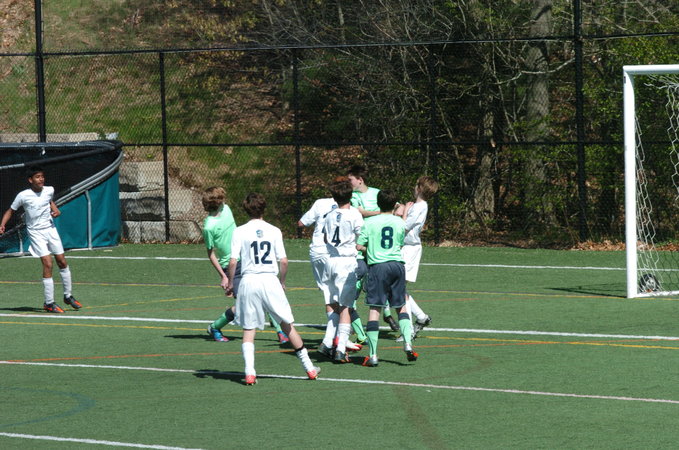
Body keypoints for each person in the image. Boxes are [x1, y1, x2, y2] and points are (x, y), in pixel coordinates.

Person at [227, 193, 320, 385]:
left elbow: (233, 261)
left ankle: (250, 373)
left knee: (249, 328)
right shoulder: (274, 230)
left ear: (246, 210)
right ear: (264, 208)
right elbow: (283, 261)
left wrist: (229, 282)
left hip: (249, 280)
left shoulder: (239, 231)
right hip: (270, 280)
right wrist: (282, 281)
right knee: (287, 324)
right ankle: (310, 368)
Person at [202, 187, 288, 344]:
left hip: (247, 259)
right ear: (218, 201)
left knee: (265, 294)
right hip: (232, 267)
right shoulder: (208, 226)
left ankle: (280, 332)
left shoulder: (226, 209)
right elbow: (211, 254)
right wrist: (224, 276)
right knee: (245, 305)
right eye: (222, 198)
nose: (224, 200)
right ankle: (215, 327)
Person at [0, 166, 82, 313]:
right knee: (48, 263)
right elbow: (11, 210)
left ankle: (68, 296)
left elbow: (49, 201)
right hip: (35, 233)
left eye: (42, 176)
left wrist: (55, 210)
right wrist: (2, 224)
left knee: (62, 261)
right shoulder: (23, 195)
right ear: (30, 180)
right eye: (37, 177)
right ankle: (49, 303)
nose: (41, 179)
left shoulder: (49, 190)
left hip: (51, 230)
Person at [356, 189, 417, 367]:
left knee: (375, 309)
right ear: (394, 205)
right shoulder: (399, 222)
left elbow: (359, 246)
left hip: (378, 267)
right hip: (397, 265)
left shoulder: (369, 222)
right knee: (401, 305)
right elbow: (399, 243)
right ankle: (408, 343)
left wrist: (371, 250)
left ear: (378, 203)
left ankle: (373, 355)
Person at [347, 164, 399, 333]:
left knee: (381, 281)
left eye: (350, 179)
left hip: (376, 243)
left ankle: (387, 314)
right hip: (362, 241)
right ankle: (351, 314)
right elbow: (360, 212)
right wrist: (383, 213)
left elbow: (398, 206)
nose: (349, 182)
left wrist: (395, 213)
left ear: (360, 180)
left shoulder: (377, 192)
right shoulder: (352, 196)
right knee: (358, 279)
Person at [317, 178, 364, 363]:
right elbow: (361, 235)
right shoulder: (354, 214)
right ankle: (341, 349)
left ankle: (327, 342)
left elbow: (325, 238)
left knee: (333, 304)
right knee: (346, 307)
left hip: (330, 261)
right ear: (350, 196)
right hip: (346, 262)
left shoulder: (329, 215)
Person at [394, 176, 440, 342]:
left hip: (409, 249)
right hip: (405, 248)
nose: (414, 187)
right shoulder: (417, 205)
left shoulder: (420, 206)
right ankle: (421, 318)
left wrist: (402, 211)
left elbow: (404, 226)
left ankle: (409, 330)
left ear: (420, 188)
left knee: (398, 289)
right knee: (397, 289)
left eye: (416, 185)